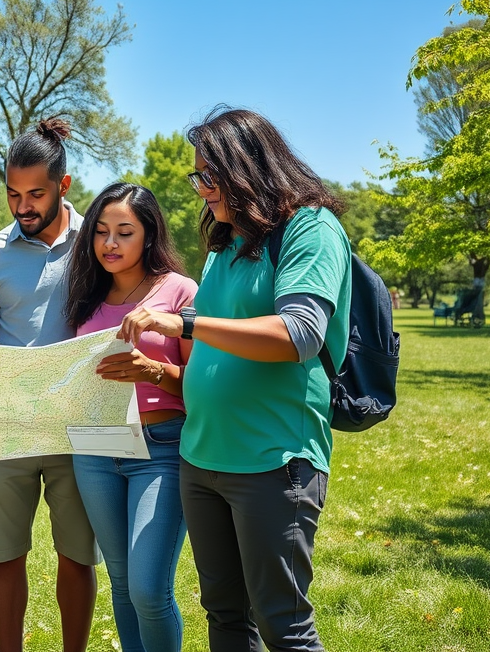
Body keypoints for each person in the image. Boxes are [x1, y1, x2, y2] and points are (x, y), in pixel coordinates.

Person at [117, 107, 351, 652]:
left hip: (272, 459)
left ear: (248, 166)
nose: (202, 190)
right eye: (196, 177)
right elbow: (207, 359)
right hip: (202, 460)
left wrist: (189, 321)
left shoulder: (311, 229)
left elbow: (300, 333)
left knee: (281, 622)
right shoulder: (226, 244)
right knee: (224, 616)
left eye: (209, 176)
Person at [0, 117, 101, 652]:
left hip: (77, 428)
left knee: (77, 554)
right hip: (8, 428)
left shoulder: (97, 243)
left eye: (35, 194)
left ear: (63, 186)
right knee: (4, 552)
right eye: (14, 194)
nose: (23, 207)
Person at [64, 182, 196, 652]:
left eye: (124, 232)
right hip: (96, 449)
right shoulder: (84, 292)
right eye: (100, 232)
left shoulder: (180, 291)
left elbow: (201, 385)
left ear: (149, 235)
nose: (110, 244)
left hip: (161, 448)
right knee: (120, 583)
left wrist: (153, 371)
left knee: (147, 587)